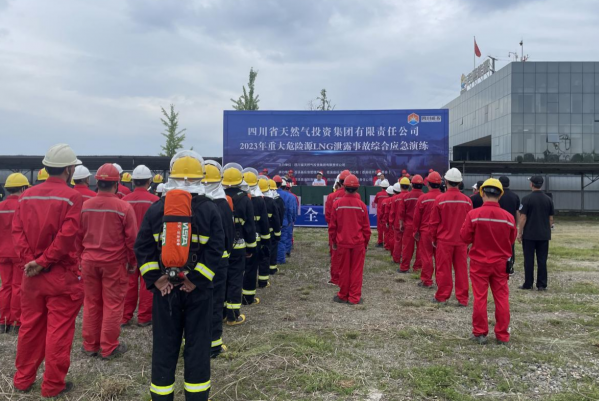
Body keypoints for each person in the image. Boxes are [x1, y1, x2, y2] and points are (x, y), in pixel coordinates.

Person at [135, 151, 224, 401]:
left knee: (164, 346)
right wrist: (195, 280)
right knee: (198, 347)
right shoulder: (210, 209)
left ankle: (161, 396)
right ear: (201, 177)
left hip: (166, 291)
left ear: (171, 175)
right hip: (197, 291)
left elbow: (142, 247)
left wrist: (157, 279)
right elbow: (217, 249)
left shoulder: (156, 209)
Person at [12, 144, 83, 397]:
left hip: (31, 276)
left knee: (30, 327)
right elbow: (66, 237)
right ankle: (52, 385)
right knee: (58, 331)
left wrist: (31, 262)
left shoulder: (25, 196)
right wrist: (43, 261)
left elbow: (17, 232)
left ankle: (22, 380)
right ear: (69, 169)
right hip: (60, 275)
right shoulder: (73, 197)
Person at [77, 163, 138, 359]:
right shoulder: (123, 207)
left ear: (96, 183)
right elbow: (132, 240)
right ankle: (109, 347)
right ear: (116, 184)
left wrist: (80, 257)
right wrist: (132, 262)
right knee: (113, 304)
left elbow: (77, 236)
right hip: (114, 263)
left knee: (91, 303)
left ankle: (90, 345)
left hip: (89, 261)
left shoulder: (85, 206)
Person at [461, 179, 516, 345]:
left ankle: (480, 333)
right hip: (500, 264)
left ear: (482, 193)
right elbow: (511, 239)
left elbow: (464, 237)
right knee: (502, 298)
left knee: (480, 297)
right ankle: (502, 335)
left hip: (479, 263)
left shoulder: (473, 215)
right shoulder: (508, 217)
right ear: (500, 195)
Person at [202, 160, 234, 359]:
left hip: (194, 262)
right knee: (215, 302)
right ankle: (214, 345)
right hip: (218, 261)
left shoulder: (192, 202)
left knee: (196, 303)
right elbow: (228, 234)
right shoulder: (222, 204)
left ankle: (192, 340)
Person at [121, 165, 160, 327]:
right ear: (149, 181)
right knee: (147, 281)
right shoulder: (155, 201)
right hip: (149, 249)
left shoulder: (123, 201)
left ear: (133, 181)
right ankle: (144, 317)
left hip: (128, 248)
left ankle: (124, 317)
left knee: (129, 283)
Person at [429, 168, 473, 306]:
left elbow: (434, 223)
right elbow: (470, 224)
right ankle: (463, 299)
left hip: (444, 241)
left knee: (443, 269)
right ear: (460, 182)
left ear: (446, 181)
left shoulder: (440, 200)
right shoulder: (467, 201)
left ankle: (442, 296)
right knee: (461, 270)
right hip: (461, 242)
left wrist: (433, 238)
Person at [329, 174, 371, 305]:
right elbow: (366, 229)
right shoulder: (362, 206)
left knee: (343, 269)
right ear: (357, 188)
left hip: (342, 243)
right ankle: (354, 297)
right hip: (358, 243)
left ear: (343, 186)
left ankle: (343, 295)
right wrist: (365, 243)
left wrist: (334, 242)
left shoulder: (337, 204)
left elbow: (332, 227)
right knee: (356, 270)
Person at [223, 163, 256, 326]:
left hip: (221, 245)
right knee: (235, 279)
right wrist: (251, 247)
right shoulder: (245, 199)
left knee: (222, 278)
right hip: (238, 245)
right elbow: (249, 227)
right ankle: (233, 315)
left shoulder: (218, 196)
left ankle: (222, 313)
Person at [0, 173, 30, 334]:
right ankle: (16, 322)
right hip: (19, 253)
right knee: (18, 287)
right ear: (23, 188)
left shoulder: (0, 206)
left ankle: (2, 322)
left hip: (2, 253)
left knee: (5, 286)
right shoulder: (24, 206)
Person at [518, 176, 554, 291]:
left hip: (529, 235)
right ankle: (542, 284)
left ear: (531, 184)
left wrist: (520, 232)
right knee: (542, 260)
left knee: (529, 260)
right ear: (541, 185)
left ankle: (528, 283)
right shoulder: (548, 199)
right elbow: (551, 219)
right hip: (543, 235)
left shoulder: (526, 199)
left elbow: (523, 217)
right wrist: (546, 229)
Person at [241, 168, 271, 306]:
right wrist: (266, 241)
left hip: (237, 241)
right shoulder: (259, 201)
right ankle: (248, 297)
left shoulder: (237, 199)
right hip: (255, 240)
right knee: (251, 269)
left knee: (237, 270)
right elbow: (264, 223)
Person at [413, 171, 442, 288]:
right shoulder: (443, 198)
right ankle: (440, 282)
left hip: (426, 232)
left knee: (426, 256)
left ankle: (427, 280)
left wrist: (415, 231)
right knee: (439, 258)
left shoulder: (423, 198)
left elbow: (417, 217)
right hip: (440, 233)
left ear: (428, 184)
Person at [324, 170, 350, 285]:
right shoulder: (355, 197)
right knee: (348, 255)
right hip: (350, 230)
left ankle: (335, 278)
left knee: (335, 255)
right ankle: (346, 277)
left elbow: (328, 216)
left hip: (335, 230)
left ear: (339, 182)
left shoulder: (331, 196)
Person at [398, 175, 425, 273]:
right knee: (421, 248)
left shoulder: (406, 197)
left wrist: (401, 224)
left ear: (412, 185)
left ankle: (404, 267)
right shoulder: (424, 197)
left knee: (407, 247)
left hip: (408, 226)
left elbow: (401, 213)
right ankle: (418, 267)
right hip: (421, 226)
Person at [258, 176, 281, 288]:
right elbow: (276, 219)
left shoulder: (252, 200)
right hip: (268, 233)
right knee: (265, 256)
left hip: (254, 235)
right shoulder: (271, 202)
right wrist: (277, 234)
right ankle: (263, 281)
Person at [498, 176, 520, 266]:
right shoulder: (515, 196)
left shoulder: (497, 195)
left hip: (498, 224)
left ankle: (499, 264)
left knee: (498, 245)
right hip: (510, 224)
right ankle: (510, 265)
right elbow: (517, 212)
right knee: (510, 245)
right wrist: (516, 225)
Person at [390, 177, 411, 265]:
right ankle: (406, 259)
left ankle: (396, 258)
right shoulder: (410, 197)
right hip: (408, 224)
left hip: (397, 223)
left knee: (397, 241)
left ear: (400, 186)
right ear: (409, 186)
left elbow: (392, 212)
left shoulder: (395, 198)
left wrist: (391, 222)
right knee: (407, 243)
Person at [277, 178, 297, 264]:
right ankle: (282, 257)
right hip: (284, 221)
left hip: (271, 221)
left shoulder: (270, 194)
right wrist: (291, 220)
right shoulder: (290, 196)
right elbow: (291, 210)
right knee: (283, 239)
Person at [269, 178, 285, 275]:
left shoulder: (261, 199)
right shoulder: (278, 200)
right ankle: (272, 268)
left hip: (262, 231)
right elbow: (279, 216)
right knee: (273, 248)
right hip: (273, 229)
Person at [372, 180, 390, 247]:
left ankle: (380, 242)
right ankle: (386, 242)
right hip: (388, 213)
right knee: (387, 228)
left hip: (380, 213)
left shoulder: (378, 194)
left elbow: (375, 201)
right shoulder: (389, 194)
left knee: (380, 228)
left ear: (381, 186)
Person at [381, 185, 396, 252]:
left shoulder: (385, 201)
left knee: (387, 234)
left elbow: (384, 212)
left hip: (387, 219)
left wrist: (383, 219)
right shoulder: (396, 199)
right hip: (395, 220)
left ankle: (388, 246)